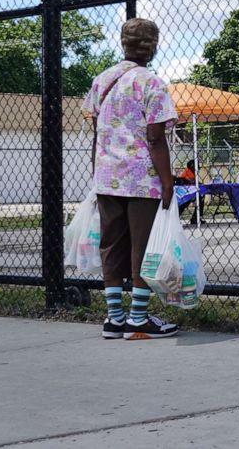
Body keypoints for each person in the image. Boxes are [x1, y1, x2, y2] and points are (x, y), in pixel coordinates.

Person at [81, 18, 179, 340]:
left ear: (123, 42)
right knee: (142, 246)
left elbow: (97, 130)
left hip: (107, 177)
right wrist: (167, 181)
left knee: (111, 244)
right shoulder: (152, 84)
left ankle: (113, 319)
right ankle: (138, 318)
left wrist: (100, 171)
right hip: (142, 180)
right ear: (153, 45)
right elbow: (155, 138)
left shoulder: (102, 80)